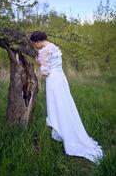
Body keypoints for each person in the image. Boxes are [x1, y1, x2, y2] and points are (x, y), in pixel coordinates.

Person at [29, 31, 104, 164]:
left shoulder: (45, 50)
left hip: (53, 80)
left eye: (34, 44)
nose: (35, 46)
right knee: (64, 103)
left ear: (38, 41)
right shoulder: (54, 47)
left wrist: (40, 65)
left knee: (57, 104)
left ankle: (63, 128)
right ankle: (64, 126)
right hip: (61, 78)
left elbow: (45, 71)